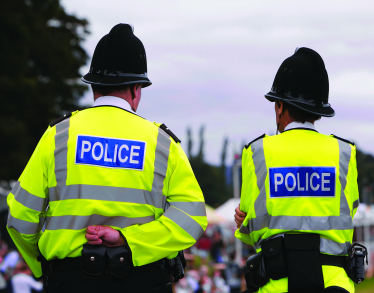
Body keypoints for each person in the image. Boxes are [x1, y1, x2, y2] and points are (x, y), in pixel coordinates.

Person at [7, 23, 207, 293]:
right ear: (136, 90)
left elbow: (20, 216)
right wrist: (130, 241)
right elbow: (192, 217)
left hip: (69, 280)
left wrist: (43, 267)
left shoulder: (58, 135)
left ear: (93, 87)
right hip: (144, 281)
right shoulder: (162, 143)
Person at [234, 47, 360, 293]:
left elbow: (250, 230)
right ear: (317, 112)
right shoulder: (346, 153)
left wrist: (243, 221)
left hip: (277, 284)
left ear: (280, 107)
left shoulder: (256, 152)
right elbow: (348, 215)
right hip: (334, 284)